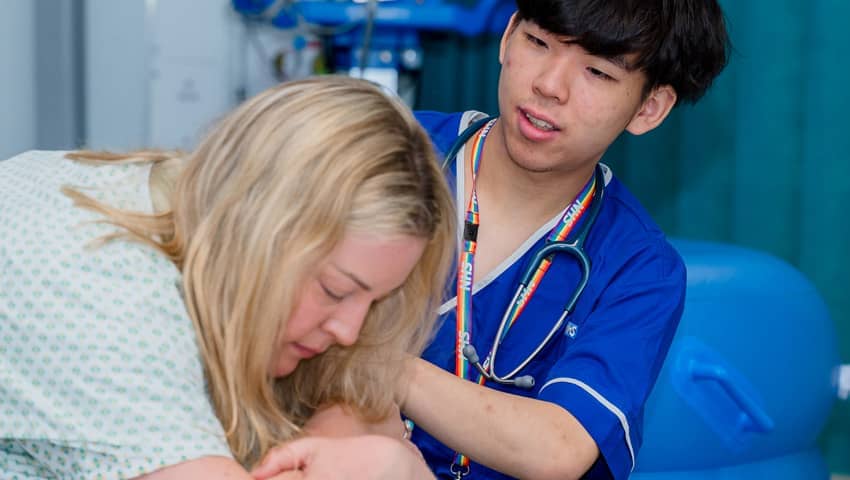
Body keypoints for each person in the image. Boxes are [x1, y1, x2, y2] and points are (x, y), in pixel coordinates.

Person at [0, 76, 454, 479]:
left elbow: (363, 404)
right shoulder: (95, 286)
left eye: (373, 301)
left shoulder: (192, 203)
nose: (348, 330)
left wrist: (339, 434)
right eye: (335, 290)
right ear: (259, 230)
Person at [393, 1, 732, 478]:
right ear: (508, 35)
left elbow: (558, 448)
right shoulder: (385, 150)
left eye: (596, 71)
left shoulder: (639, 269)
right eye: (538, 43)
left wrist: (382, 370)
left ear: (649, 107)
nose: (549, 85)